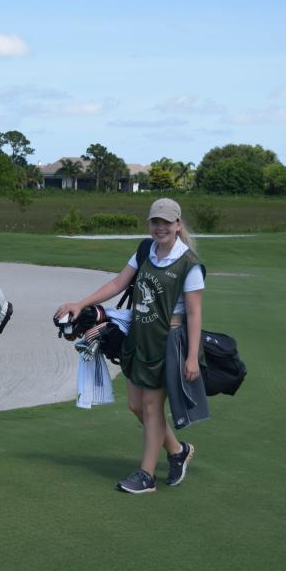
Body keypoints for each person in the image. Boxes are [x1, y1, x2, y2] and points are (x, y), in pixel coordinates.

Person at [55, 198, 205, 494]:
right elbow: (117, 284)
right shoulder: (144, 249)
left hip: (168, 342)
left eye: (166, 222)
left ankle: (146, 476)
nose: (160, 227)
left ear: (177, 225)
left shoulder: (189, 265)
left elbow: (195, 313)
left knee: (151, 406)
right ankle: (177, 451)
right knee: (136, 405)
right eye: (155, 222)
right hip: (139, 336)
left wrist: (191, 358)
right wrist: (81, 303)